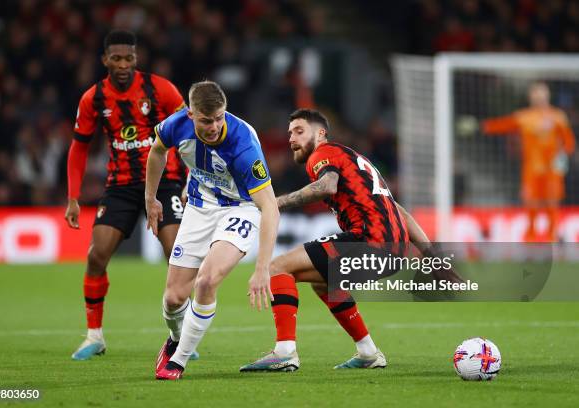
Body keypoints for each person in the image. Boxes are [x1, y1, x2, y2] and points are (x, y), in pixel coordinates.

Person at [239, 109, 450, 372]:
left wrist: (275, 203)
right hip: (393, 249)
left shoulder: (323, 154)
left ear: (320, 133)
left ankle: (284, 351)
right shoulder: (356, 160)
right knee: (325, 283)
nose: (292, 137)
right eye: (290, 132)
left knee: (277, 267)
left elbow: (327, 186)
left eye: (299, 131)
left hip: (368, 241)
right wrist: (433, 258)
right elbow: (399, 212)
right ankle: (368, 352)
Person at [145, 80, 279, 381]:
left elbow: (270, 207)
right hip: (199, 205)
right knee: (173, 299)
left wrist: (262, 269)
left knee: (206, 281)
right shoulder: (175, 125)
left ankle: (177, 361)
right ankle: (177, 339)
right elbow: (157, 152)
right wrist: (150, 199)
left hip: (240, 208)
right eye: (207, 120)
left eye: (220, 117)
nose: (215, 125)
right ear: (191, 115)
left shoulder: (243, 144)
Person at [66, 30, 187, 360]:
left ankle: (181, 336)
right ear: (104, 60)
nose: (123, 65)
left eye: (129, 58)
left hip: (165, 181)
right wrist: (73, 197)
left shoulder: (160, 89)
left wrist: (193, 180)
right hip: (120, 186)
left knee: (177, 255)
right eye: (116, 59)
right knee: (95, 256)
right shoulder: (93, 98)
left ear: (136, 59)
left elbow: (191, 133)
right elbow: (79, 147)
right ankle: (95, 336)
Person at [482, 82, 576, 242]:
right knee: (531, 205)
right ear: (531, 98)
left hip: (552, 171)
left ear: (547, 96)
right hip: (531, 170)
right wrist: (482, 126)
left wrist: (562, 156)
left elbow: (569, 142)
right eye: (536, 95)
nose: (539, 98)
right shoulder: (524, 117)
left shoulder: (557, 117)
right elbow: (502, 125)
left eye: (541, 95)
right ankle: (531, 238)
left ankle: (551, 238)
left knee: (551, 204)